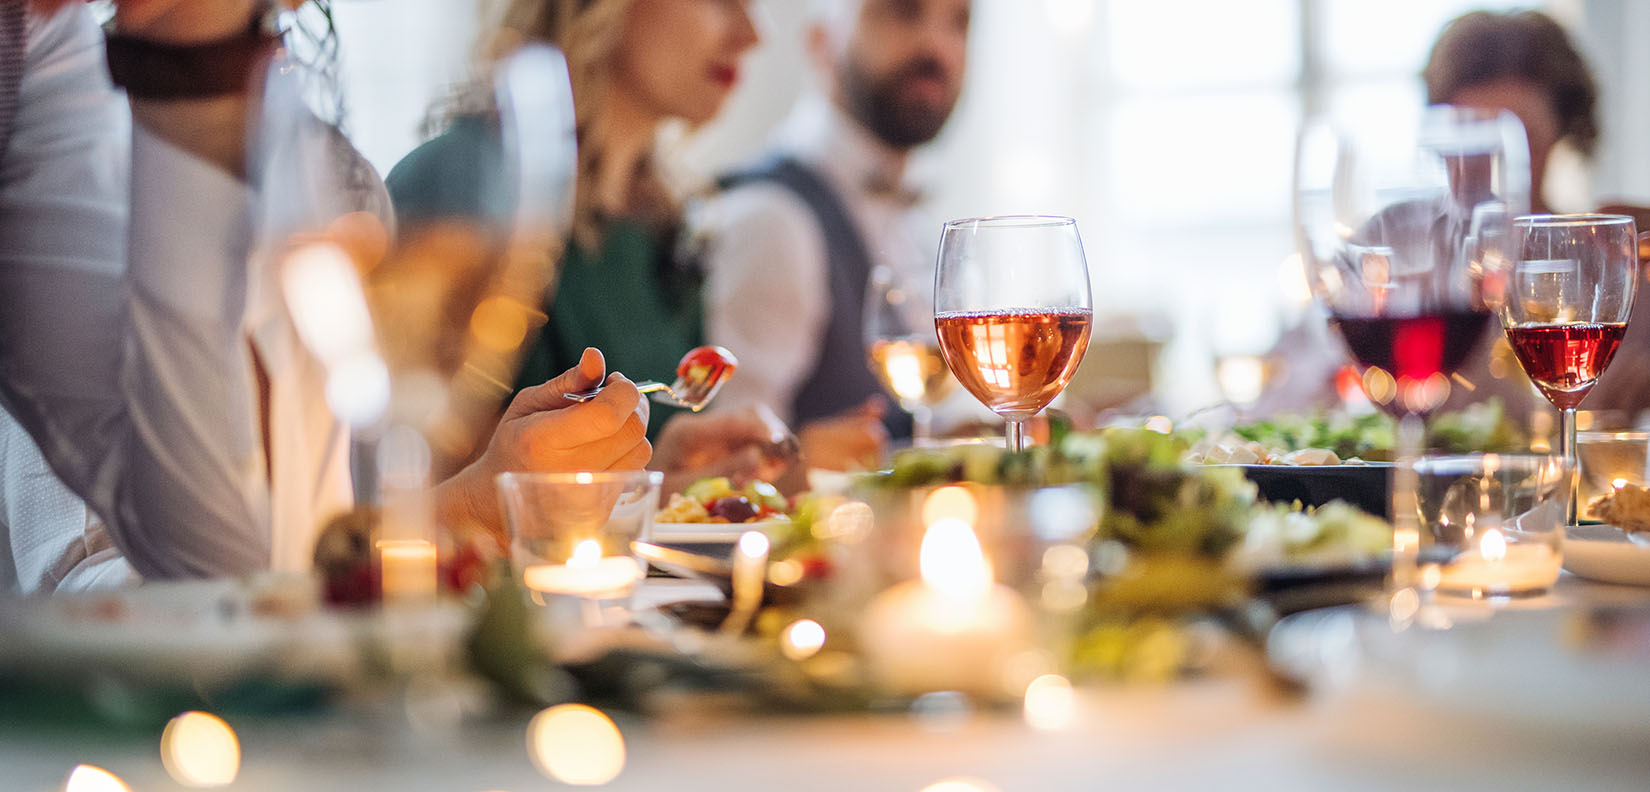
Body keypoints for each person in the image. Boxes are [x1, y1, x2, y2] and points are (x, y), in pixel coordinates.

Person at [0, 0, 650, 586]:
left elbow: (229, 562)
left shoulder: (42, 59)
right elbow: (93, 577)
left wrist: (195, 53)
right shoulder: (104, 135)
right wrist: (464, 512)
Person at [388, 0, 799, 490]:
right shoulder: (463, 190)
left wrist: (661, 480)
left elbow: (611, 493)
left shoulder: (666, 222)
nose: (753, 34)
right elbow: (407, 500)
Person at [699, 0, 970, 464]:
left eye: (959, 22)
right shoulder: (773, 217)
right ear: (822, 42)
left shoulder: (913, 218)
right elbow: (730, 470)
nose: (936, 45)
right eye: (902, 13)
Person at [1424, 8, 1650, 421]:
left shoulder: (1618, 270)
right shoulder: (1389, 264)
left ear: (1562, 130)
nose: (1489, 167)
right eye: (1471, 139)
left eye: (1519, 139)